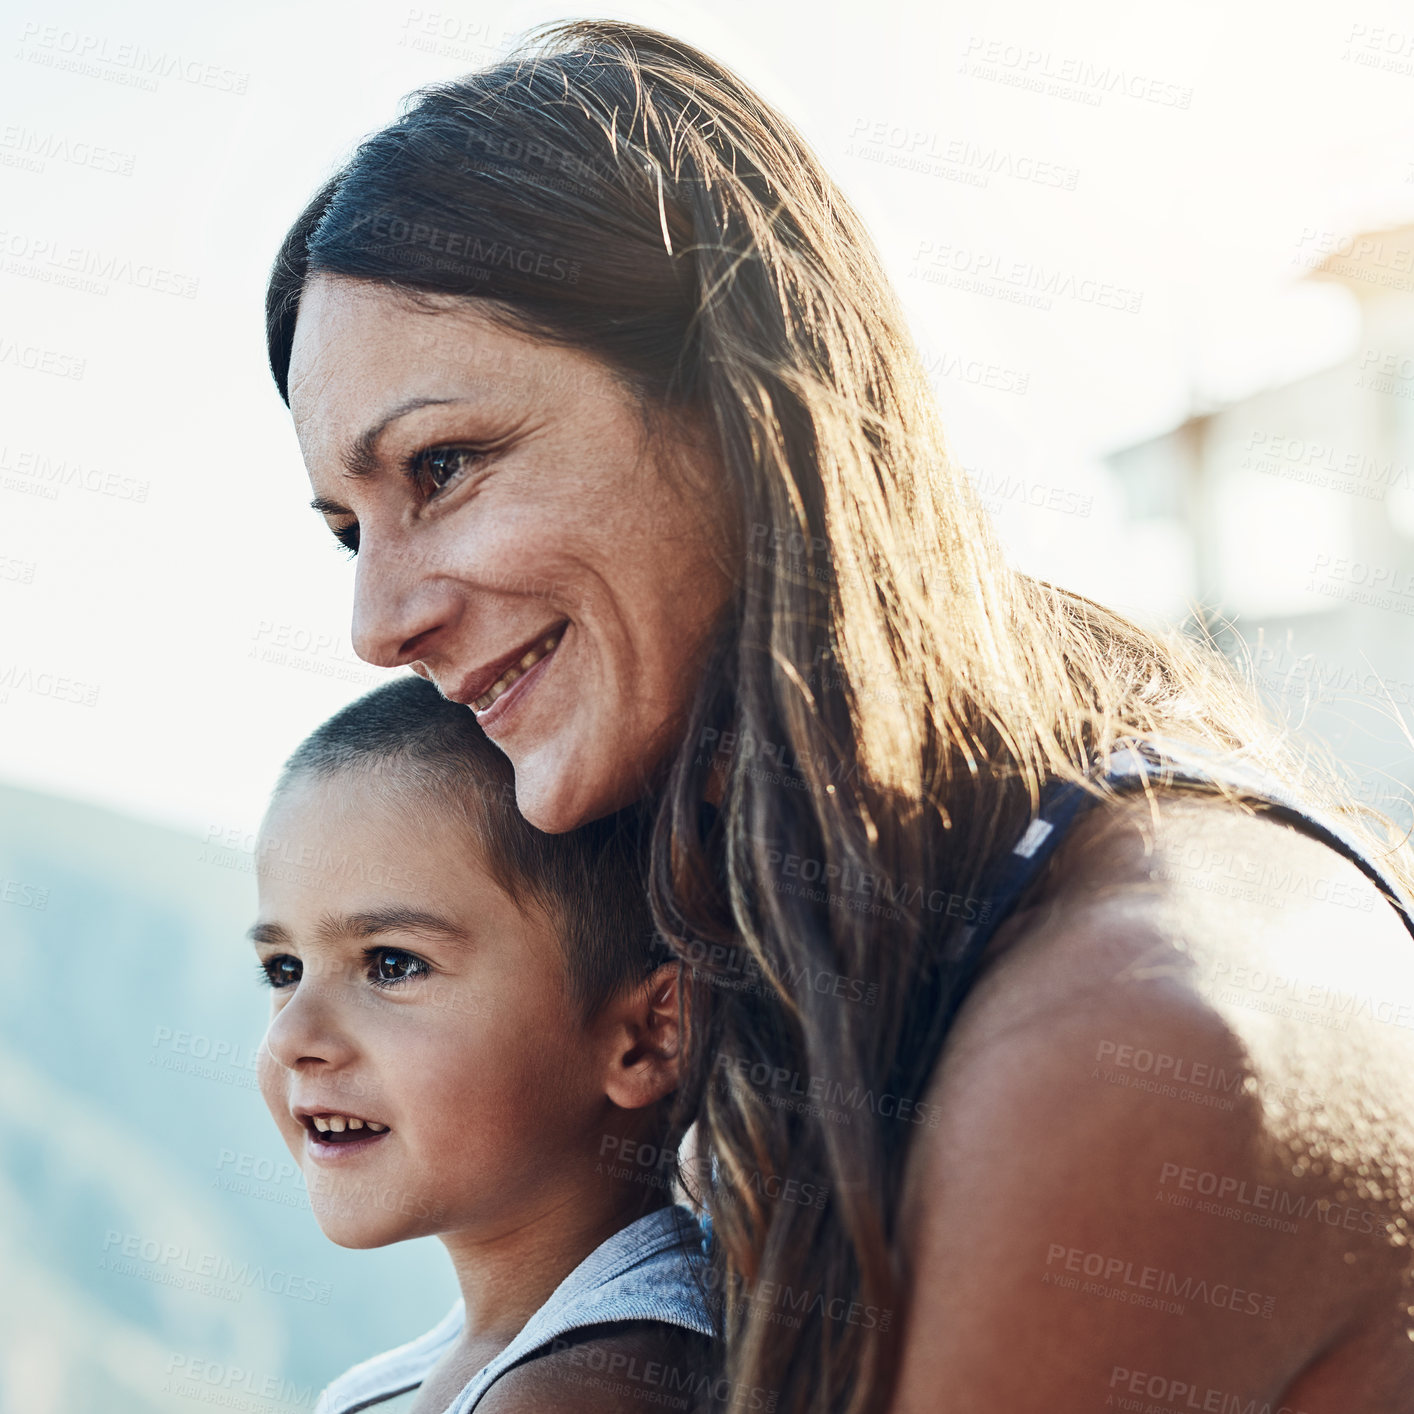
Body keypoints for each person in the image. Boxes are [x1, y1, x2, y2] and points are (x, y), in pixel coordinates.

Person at [263, 19, 1414, 1412]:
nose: (377, 623)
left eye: (443, 465)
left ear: (736, 403)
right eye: (348, 529)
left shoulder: (1125, 1047)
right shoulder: (822, 955)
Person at [251, 675, 715, 1412]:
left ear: (649, 1038)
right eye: (284, 969)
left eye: (392, 963)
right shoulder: (439, 1373)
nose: (290, 1037)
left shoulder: (574, 1394)